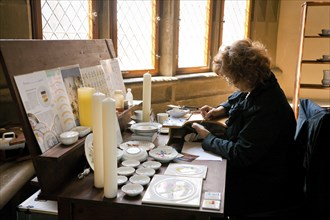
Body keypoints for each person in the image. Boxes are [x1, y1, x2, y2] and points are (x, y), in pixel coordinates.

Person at [192, 39, 304, 218]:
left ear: (246, 75)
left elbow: (241, 154)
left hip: (263, 184)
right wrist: (221, 109)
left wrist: (207, 138)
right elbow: (239, 97)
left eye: (232, 79)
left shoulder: (268, 107)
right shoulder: (262, 84)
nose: (231, 83)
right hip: (257, 168)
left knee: (206, 187)